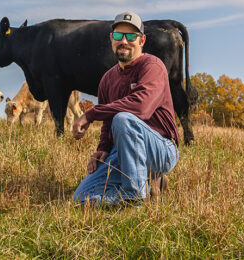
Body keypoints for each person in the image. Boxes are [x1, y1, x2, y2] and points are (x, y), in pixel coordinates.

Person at [71, 11, 179, 205]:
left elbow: (141, 107)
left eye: (131, 36)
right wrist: (103, 148)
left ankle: (134, 195)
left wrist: (91, 114)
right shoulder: (107, 79)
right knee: (81, 198)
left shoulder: (152, 66)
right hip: (123, 152)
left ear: (142, 40)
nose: (124, 41)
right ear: (112, 39)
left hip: (160, 148)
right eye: (119, 36)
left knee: (123, 118)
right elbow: (107, 124)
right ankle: (147, 183)